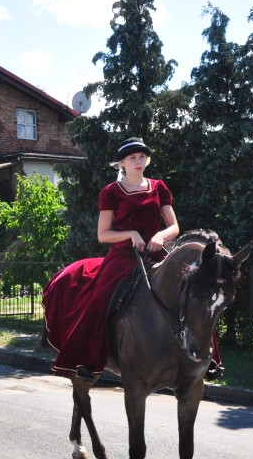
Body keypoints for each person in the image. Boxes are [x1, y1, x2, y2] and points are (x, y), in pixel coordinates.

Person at [42, 137, 179, 381]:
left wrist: (160, 234)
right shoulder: (111, 192)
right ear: (122, 163)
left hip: (155, 255)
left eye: (142, 157)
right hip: (122, 258)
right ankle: (87, 360)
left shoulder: (159, 187)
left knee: (188, 290)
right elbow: (103, 235)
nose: (138, 161)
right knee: (98, 302)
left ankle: (201, 358)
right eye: (132, 158)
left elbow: (174, 227)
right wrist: (131, 234)